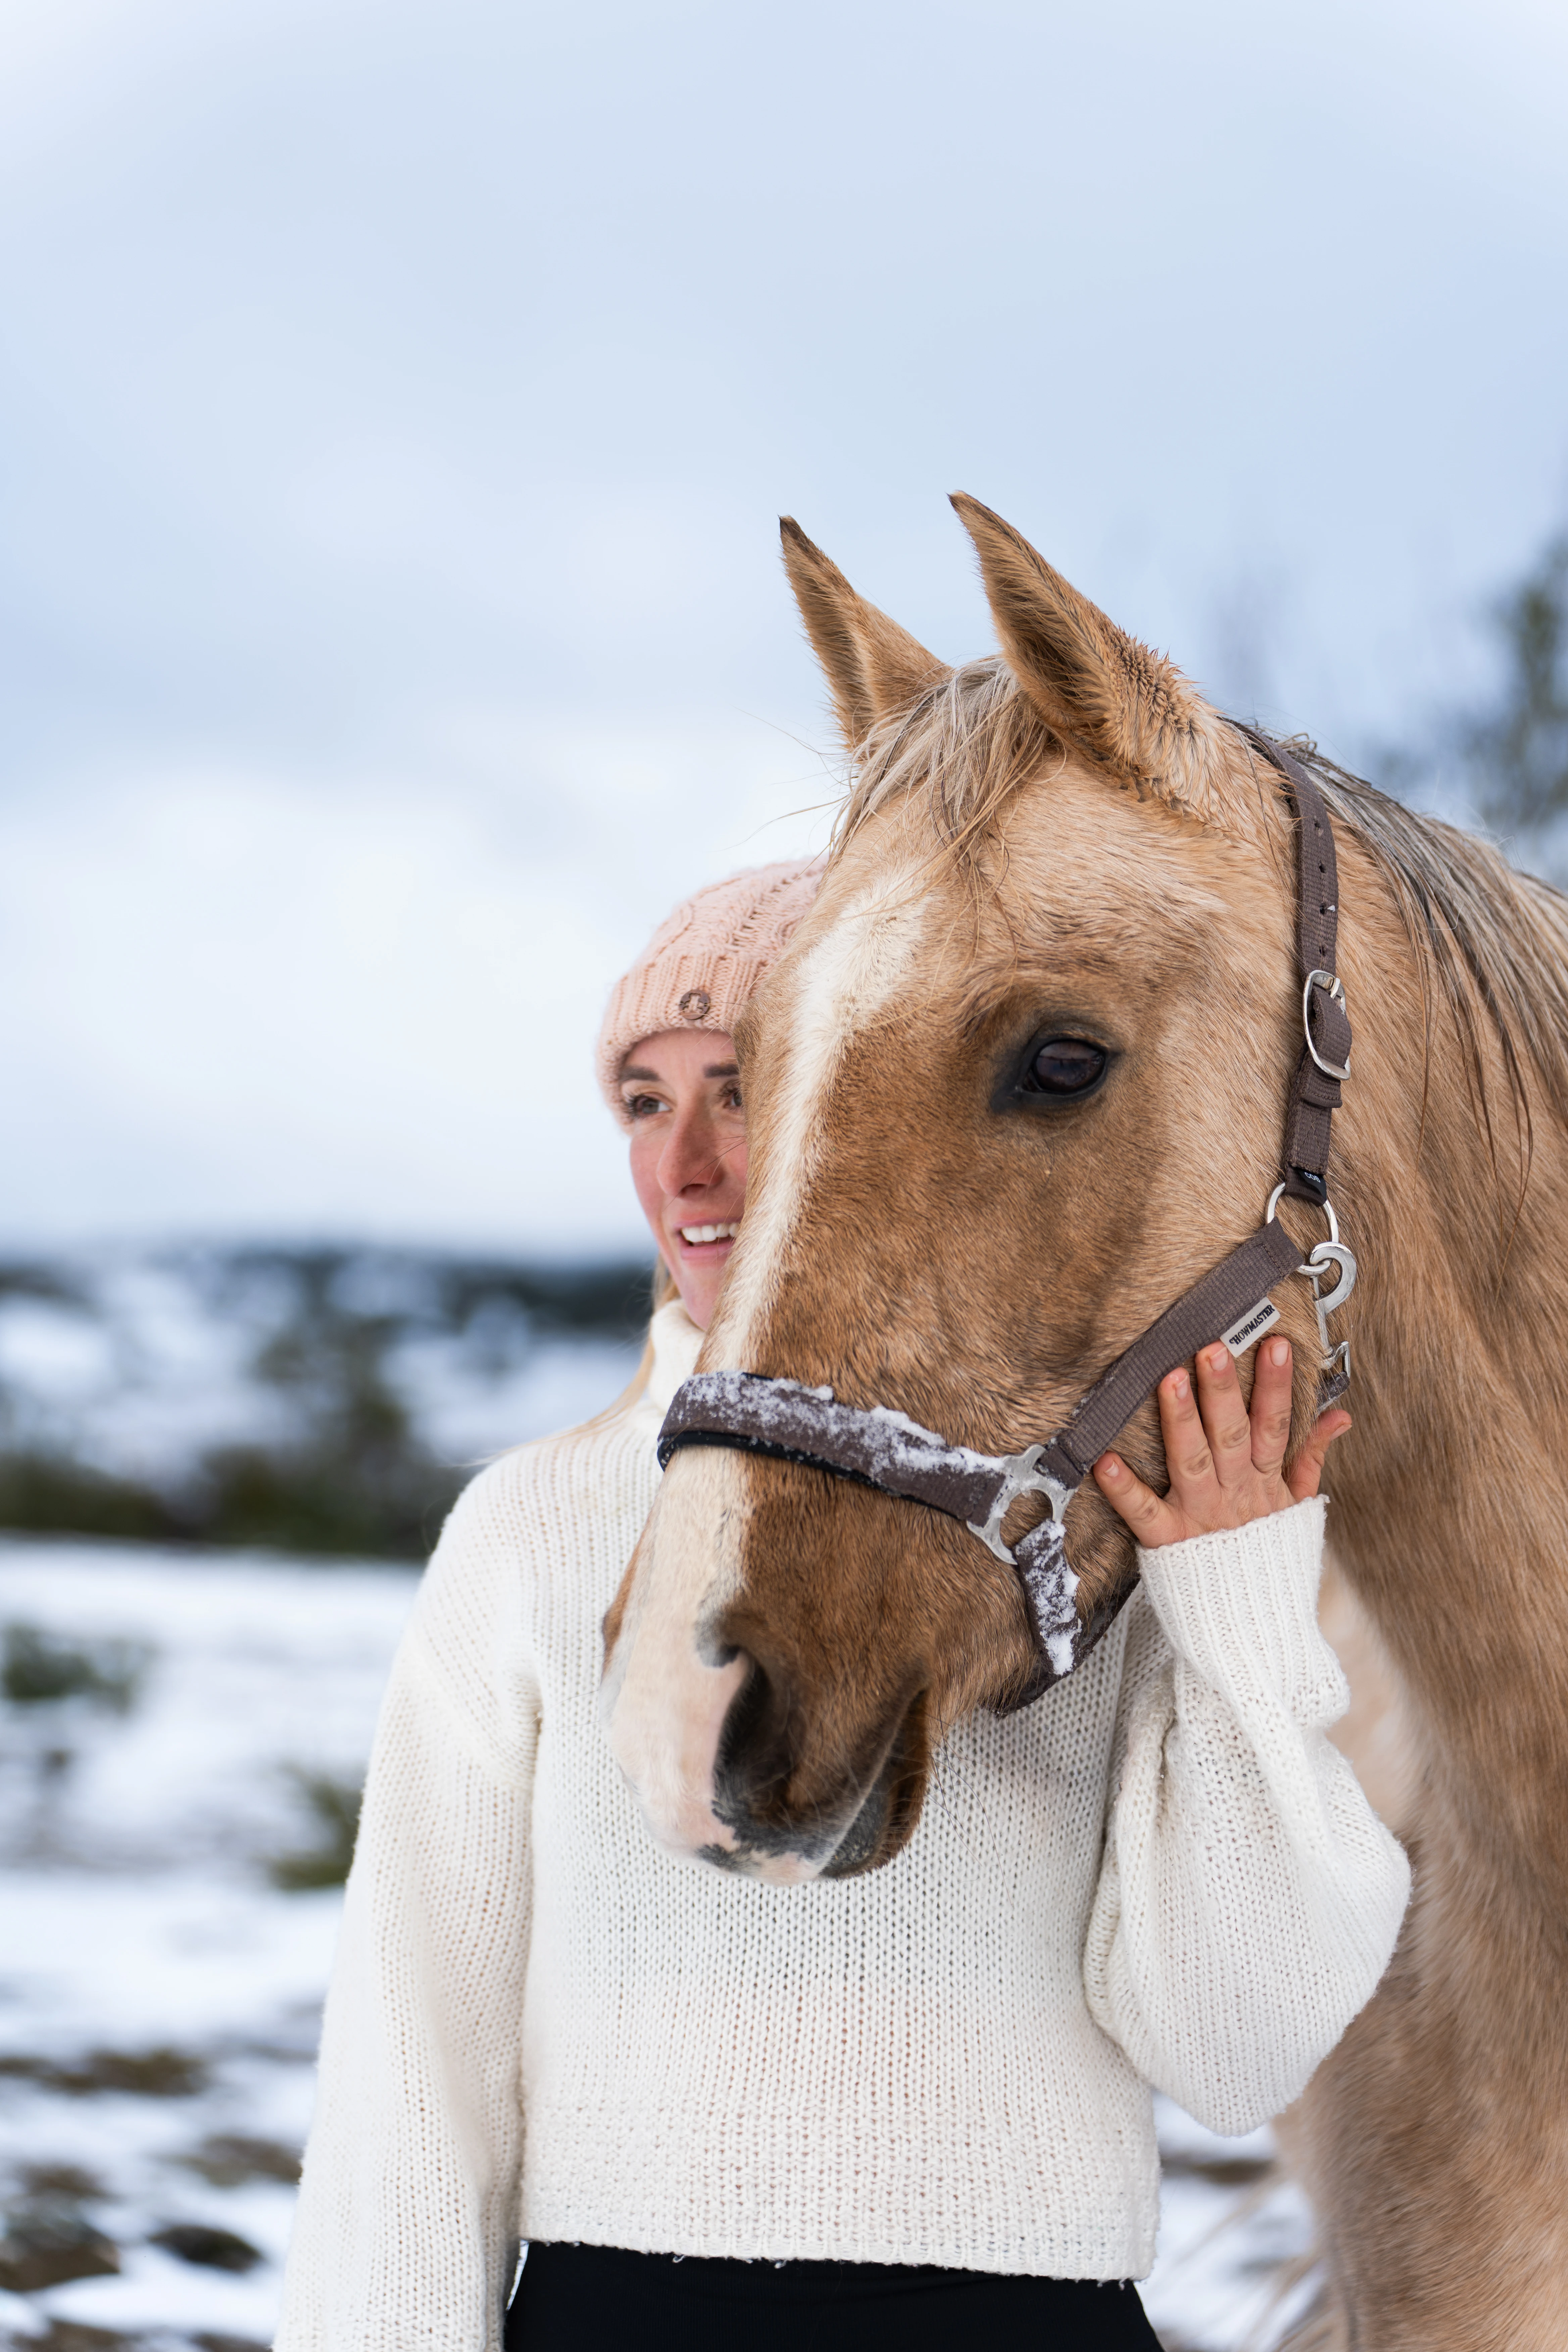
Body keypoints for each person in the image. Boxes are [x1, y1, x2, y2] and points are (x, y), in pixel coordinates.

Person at [275, 860, 1409, 2352]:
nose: (682, 1162)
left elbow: (1233, 2048)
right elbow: (410, 2081)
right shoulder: (532, 1530)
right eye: (640, 1099)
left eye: (738, 1089)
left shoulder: (1091, 1521)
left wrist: (1236, 1600)